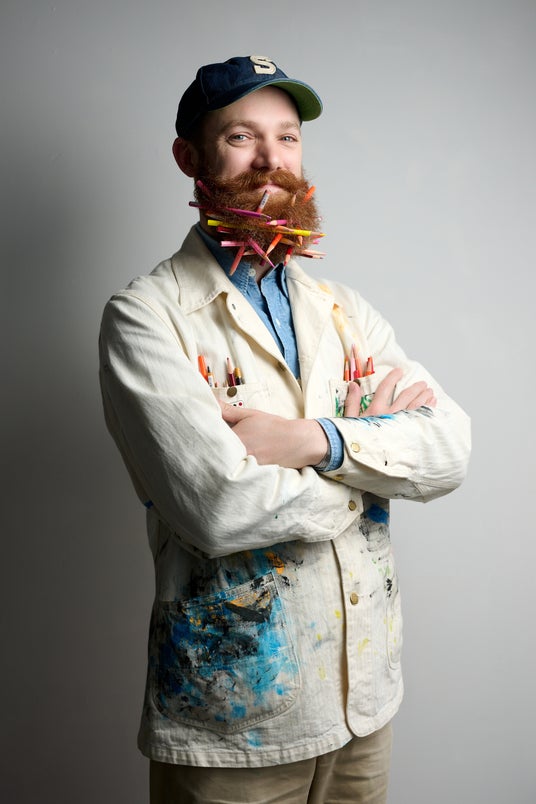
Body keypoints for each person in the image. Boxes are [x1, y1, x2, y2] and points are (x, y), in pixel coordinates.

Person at [99, 55, 471, 804]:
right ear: (190, 158)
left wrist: (315, 442)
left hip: (364, 698)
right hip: (231, 716)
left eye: (288, 137)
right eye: (242, 137)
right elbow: (219, 508)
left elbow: (449, 448)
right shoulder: (146, 317)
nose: (273, 159)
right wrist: (369, 472)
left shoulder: (345, 310)